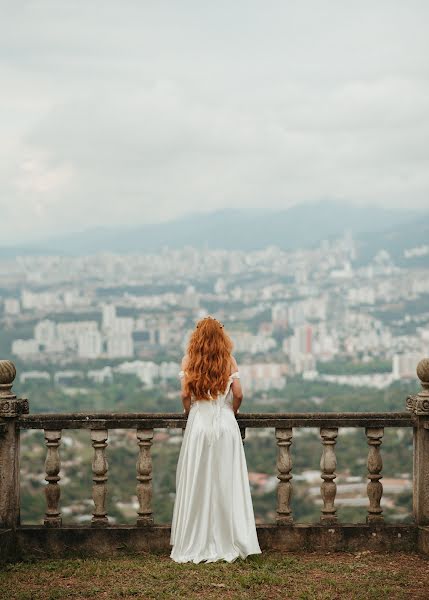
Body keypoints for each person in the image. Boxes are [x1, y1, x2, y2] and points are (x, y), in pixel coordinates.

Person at [170, 315, 262, 563]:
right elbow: (239, 393)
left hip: (199, 423)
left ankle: (196, 538)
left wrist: (192, 413)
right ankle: (229, 537)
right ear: (222, 336)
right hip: (225, 424)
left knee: (198, 481)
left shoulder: (189, 360)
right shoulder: (228, 360)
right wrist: (231, 411)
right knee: (226, 480)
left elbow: (184, 394)